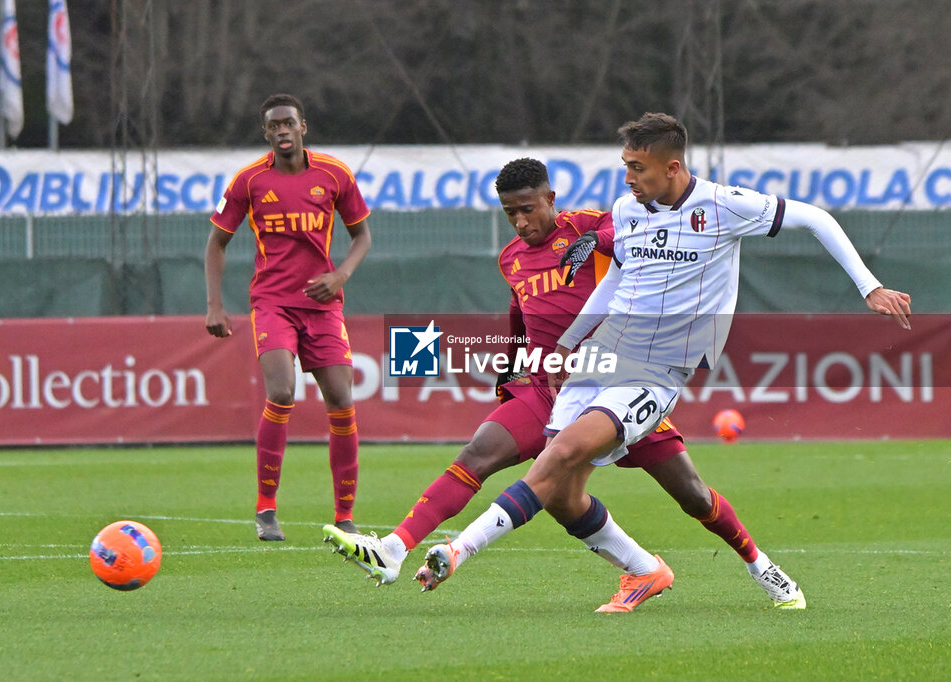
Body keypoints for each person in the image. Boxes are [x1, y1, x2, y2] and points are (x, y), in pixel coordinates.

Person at [412, 114, 913, 610]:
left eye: (637, 168)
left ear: (672, 167)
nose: (628, 179)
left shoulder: (724, 205)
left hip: (658, 368)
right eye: (625, 166)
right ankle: (645, 572)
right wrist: (568, 342)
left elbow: (816, 218)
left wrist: (870, 287)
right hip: (601, 356)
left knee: (579, 460)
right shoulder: (629, 210)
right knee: (562, 493)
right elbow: (618, 281)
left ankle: (456, 551)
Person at [324, 158, 808, 613]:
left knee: (693, 496)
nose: (520, 222)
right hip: (547, 386)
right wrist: (510, 370)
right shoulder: (510, 258)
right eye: (509, 212)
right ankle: (394, 548)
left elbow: (634, 238)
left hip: (619, 380)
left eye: (528, 209)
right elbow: (520, 317)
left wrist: (598, 242)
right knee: (487, 456)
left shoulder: (588, 223)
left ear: (550, 198)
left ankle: (761, 567)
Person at [205, 93, 372, 541]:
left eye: (288, 123)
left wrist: (340, 275)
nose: (282, 130)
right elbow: (216, 242)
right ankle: (265, 509)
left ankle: (344, 516)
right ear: (266, 133)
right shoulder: (249, 181)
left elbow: (362, 236)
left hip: (321, 305)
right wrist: (214, 305)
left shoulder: (334, 175)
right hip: (273, 303)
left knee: (342, 399)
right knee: (281, 391)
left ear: (303, 127)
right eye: (273, 125)